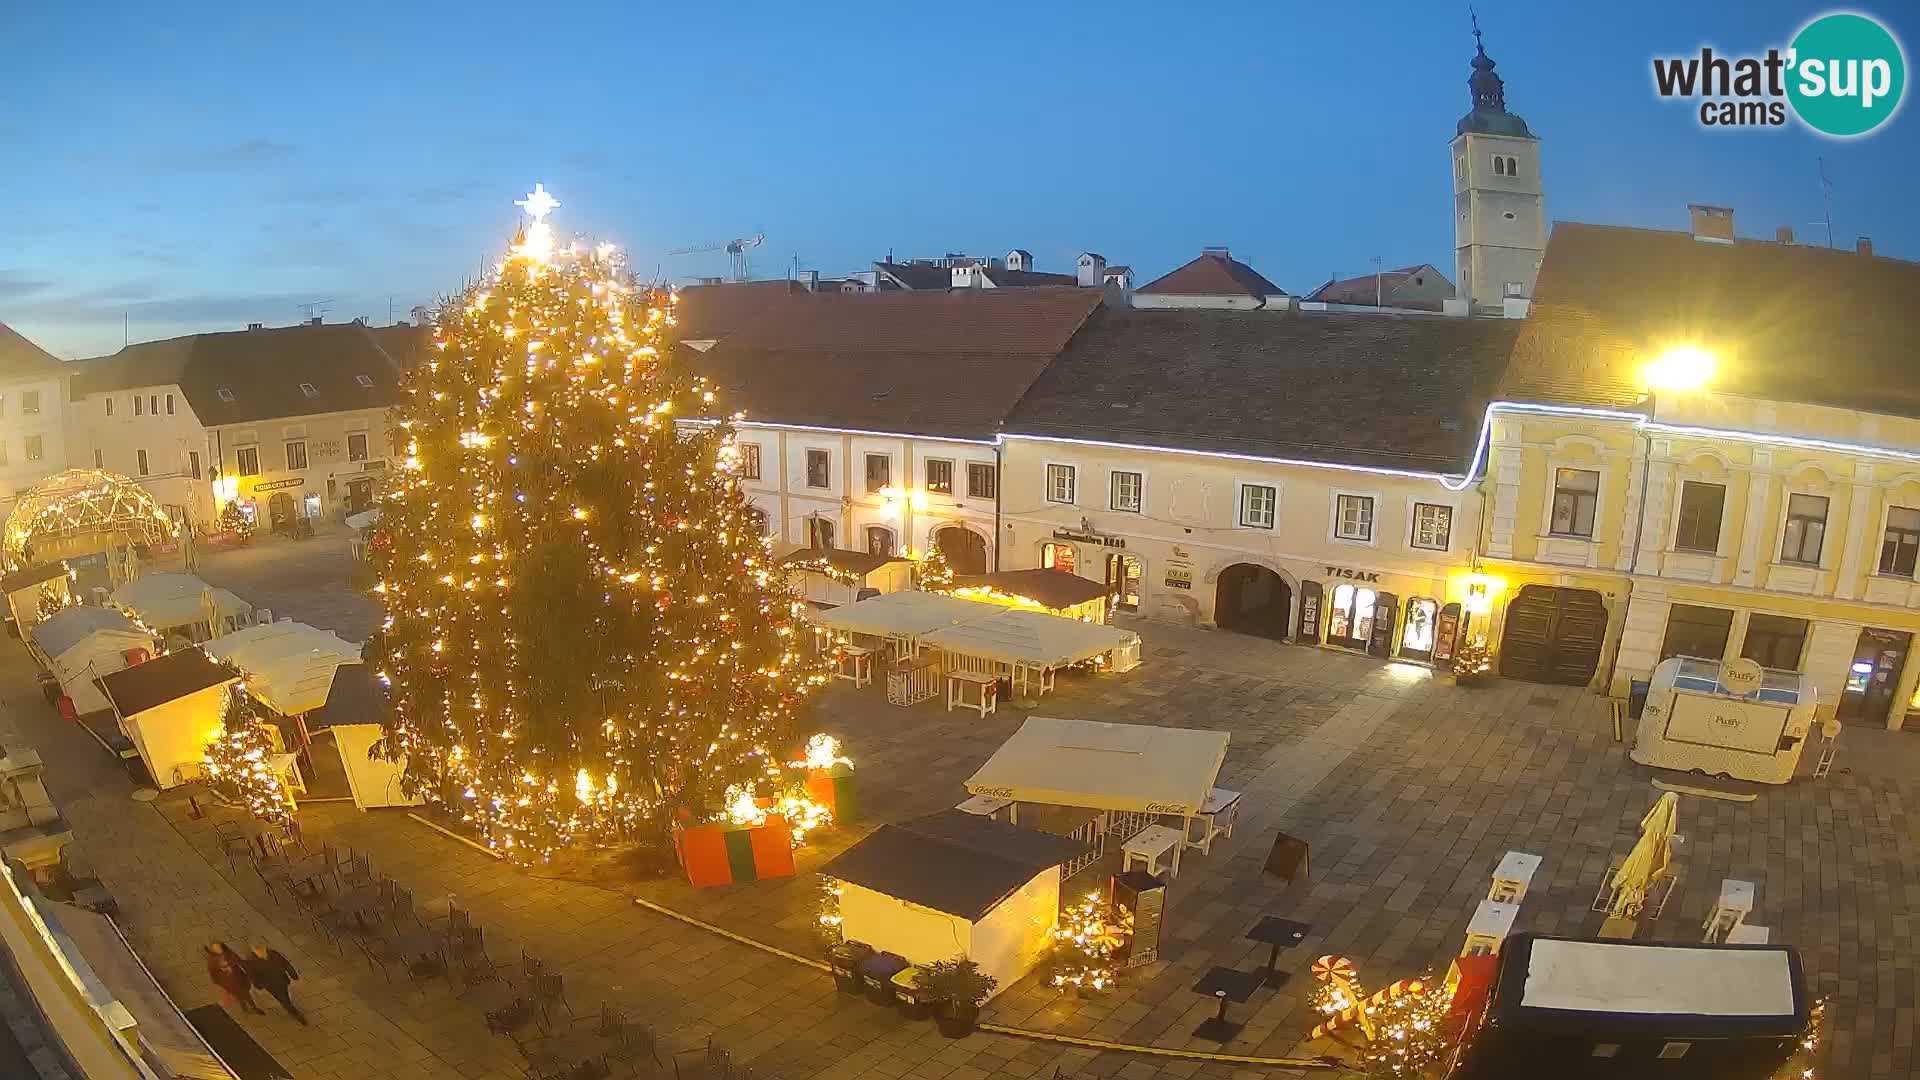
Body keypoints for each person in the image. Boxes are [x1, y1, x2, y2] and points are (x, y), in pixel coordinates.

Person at [246, 945, 307, 1025]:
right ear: (254, 951)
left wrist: (293, 974)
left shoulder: (274, 954)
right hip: (271, 985)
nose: (261, 951)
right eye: (258, 950)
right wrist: (258, 985)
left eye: (261, 949)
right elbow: (252, 975)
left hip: (282, 981)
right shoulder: (251, 962)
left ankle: (289, 1005)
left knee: (285, 996)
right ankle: (295, 1013)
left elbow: (285, 963)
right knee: (283, 1000)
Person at [204, 943, 262, 1015]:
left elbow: (237, 960)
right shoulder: (212, 961)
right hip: (230, 983)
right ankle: (248, 1008)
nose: (218, 949)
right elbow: (213, 974)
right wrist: (222, 983)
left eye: (218, 947)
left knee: (245, 993)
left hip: (239, 978)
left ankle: (249, 1007)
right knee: (241, 995)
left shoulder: (228, 953)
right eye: (215, 948)